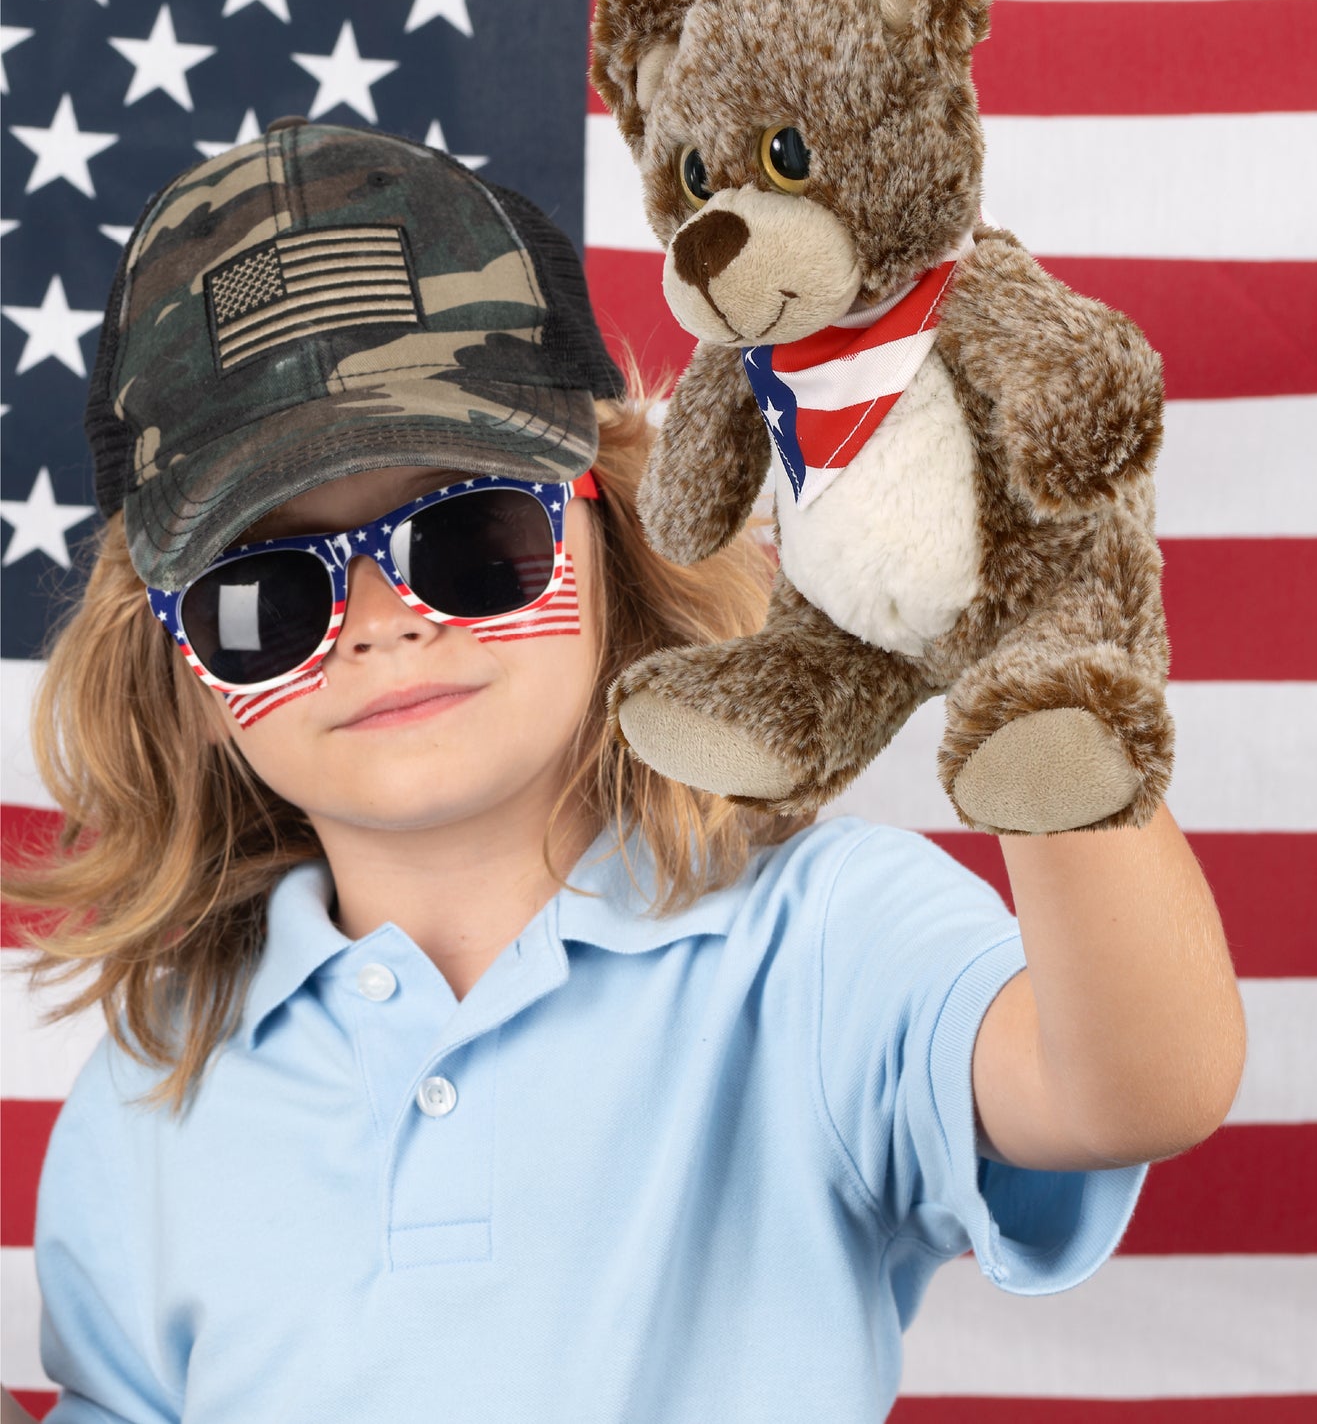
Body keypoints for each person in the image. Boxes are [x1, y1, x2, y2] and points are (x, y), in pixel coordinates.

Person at [5, 120, 1246, 1424]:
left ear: (622, 523)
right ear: (186, 679)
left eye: (468, 535)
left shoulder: (818, 943)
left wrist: (1041, 681)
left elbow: (1132, 1088)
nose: (379, 620)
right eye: (261, 595)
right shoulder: (157, 1081)